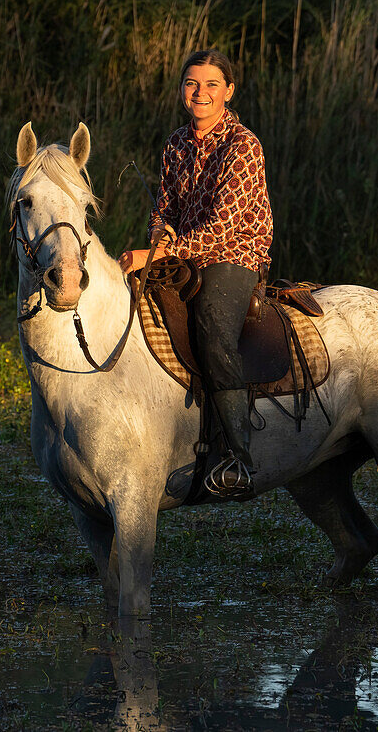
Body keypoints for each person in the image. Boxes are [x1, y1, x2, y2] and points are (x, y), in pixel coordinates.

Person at [119, 49, 273, 497]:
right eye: (191, 84)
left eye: (211, 85)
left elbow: (224, 225)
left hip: (235, 254)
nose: (200, 93)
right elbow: (162, 208)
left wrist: (159, 254)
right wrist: (158, 236)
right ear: (182, 90)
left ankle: (239, 456)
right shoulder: (175, 144)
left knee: (211, 325)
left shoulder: (243, 145)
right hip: (183, 255)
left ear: (228, 90)